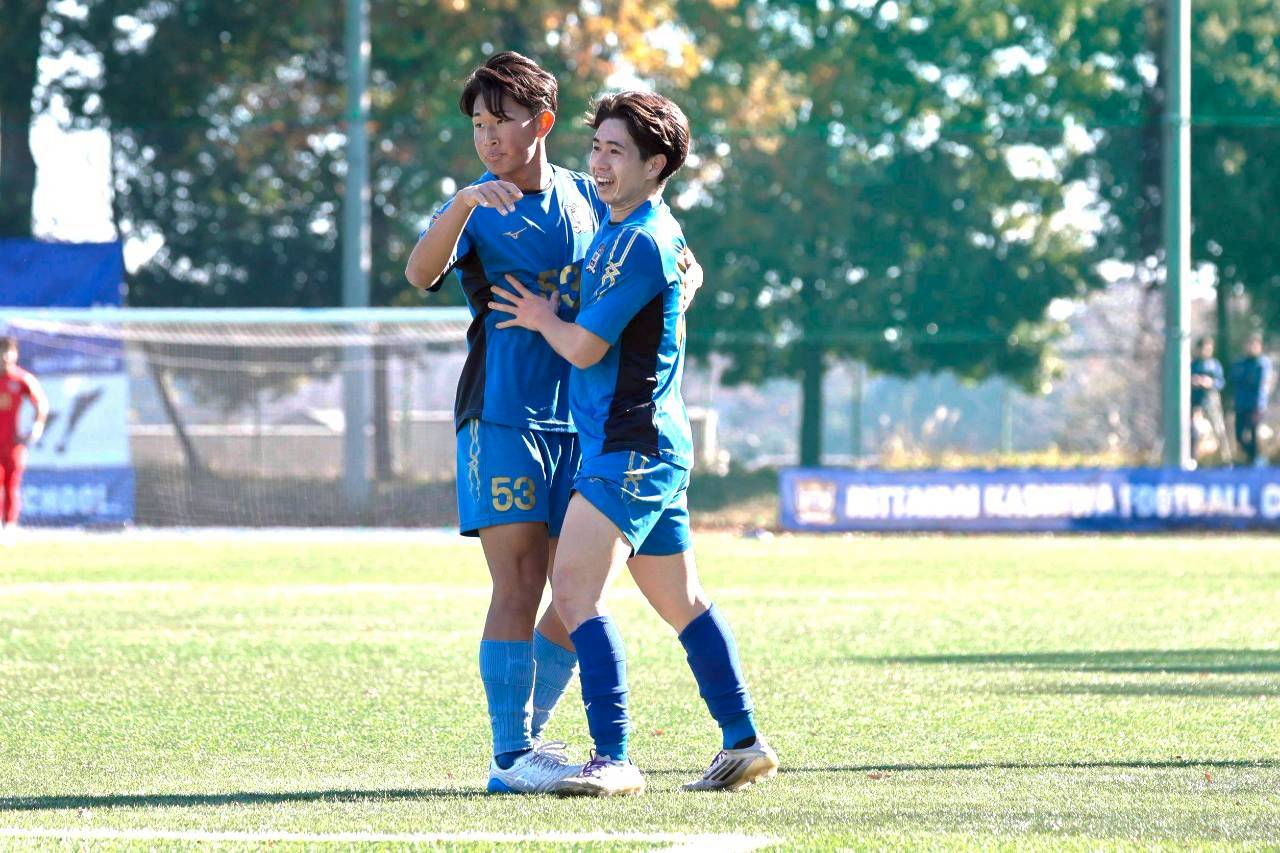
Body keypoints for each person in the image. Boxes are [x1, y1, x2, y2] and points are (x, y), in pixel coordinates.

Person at [404, 53, 701, 794]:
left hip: (584, 423)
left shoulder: (588, 194)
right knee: (520, 579)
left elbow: (680, 267)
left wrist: (664, 307)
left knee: (578, 592)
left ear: (542, 122)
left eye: (500, 121)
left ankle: (527, 737)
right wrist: (462, 204)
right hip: (502, 413)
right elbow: (418, 273)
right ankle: (511, 756)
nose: (487, 137)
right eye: (478, 124)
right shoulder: (475, 206)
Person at [490, 91, 778, 797]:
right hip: (647, 445)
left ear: (657, 164)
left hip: (630, 446)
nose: (599, 163)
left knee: (575, 592)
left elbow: (585, 348)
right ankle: (743, 740)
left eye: (616, 151)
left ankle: (613, 756)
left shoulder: (639, 239)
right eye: (596, 147)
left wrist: (541, 316)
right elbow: (685, 276)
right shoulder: (638, 230)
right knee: (683, 602)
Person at [1, 336, 49, 545]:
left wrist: (36, 428)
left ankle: (9, 528)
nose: (4, 356)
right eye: (2, 351)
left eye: (8, 351)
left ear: (15, 354)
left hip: (13, 445)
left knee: (11, 486)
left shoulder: (21, 379)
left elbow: (41, 404)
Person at [1229, 332, 1274, 466]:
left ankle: (1255, 460)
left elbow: (1258, 383)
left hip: (1255, 404)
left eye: (1254, 345)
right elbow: (1234, 379)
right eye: (1248, 345)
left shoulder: (1262, 363)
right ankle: (1252, 457)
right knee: (1239, 435)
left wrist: (1259, 404)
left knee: (1253, 432)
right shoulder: (1240, 363)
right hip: (1241, 404)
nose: (1250, 348)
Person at [1190, 336, 1225, 462]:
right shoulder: (1192, 364)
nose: (1206, 351)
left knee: (1218, 430)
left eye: (1209, 349)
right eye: (1204, 349)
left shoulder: (1215, 365)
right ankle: (1193, 458)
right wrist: (1194, 381)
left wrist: (1210, 382)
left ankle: (1223, 459)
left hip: (1212, 403)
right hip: (1196, 403)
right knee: (1194, 429)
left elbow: (1221, 383)